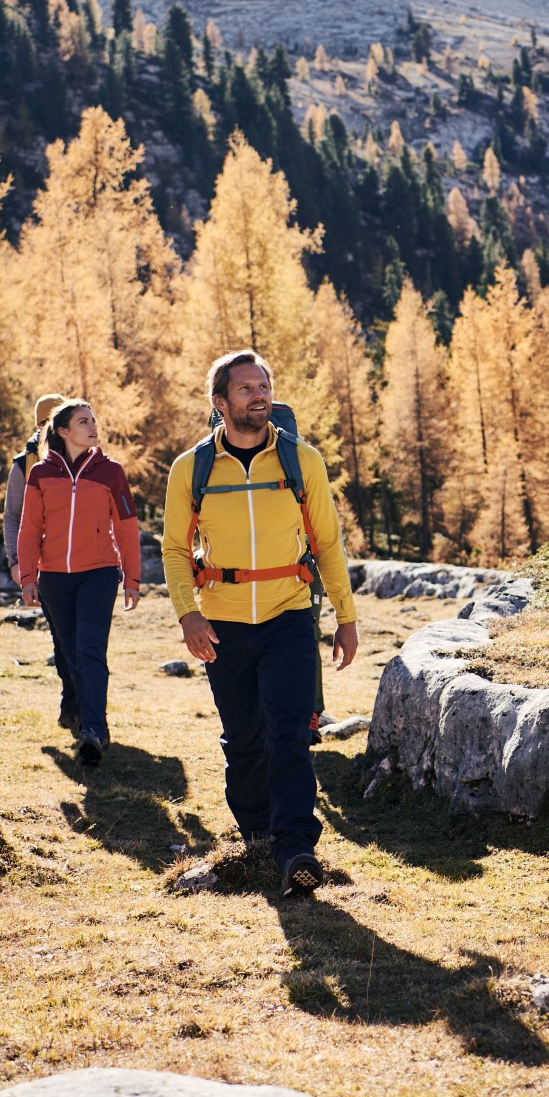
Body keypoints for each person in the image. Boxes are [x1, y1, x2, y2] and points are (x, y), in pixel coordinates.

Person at [162, 350, 358, 898]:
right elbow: (176, 549)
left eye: (264, 385)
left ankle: (297, 847)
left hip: (289, 615)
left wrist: (346, 616)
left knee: (290, 733)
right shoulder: (191, 469)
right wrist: (188, 613)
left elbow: (328, 543)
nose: (259, 395)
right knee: (244, 740)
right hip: (221, 623)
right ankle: (256, 834)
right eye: (246, 388)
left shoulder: (302, 461)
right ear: (220, 402)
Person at [17, 400, 143, 767]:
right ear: (63, 431)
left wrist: (132, 578)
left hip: (98, 573)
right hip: (54, 577)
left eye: (93, 421)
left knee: (90, 650)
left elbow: (127, 526)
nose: (92, 427)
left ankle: (94, 729)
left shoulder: (110, 472)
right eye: (83, 421)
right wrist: (28, 576)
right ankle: (80, 716)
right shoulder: (40, 474)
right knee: (70, 654)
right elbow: (29, 530)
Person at [3, 393, 82, 734]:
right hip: (47, 566)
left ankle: (84, 709)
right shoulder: (24, 465)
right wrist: (17, 563)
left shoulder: (88, 459)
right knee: (65, 639)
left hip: (88, 564)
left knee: (87, 639)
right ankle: (72, 702)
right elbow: (13, 516)